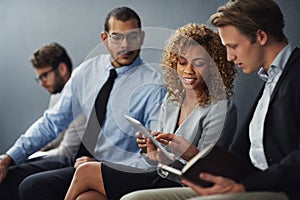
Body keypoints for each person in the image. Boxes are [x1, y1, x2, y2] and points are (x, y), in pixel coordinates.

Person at [121, 0, 300, 200]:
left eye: (233, 46)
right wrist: (192, 155)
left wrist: (244, 186)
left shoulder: (294, 75)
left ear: (260, 36)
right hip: (249, 182)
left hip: (281, 188)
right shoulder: (269, 80)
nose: (229, 57)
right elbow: (242, 158)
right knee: (132, 199)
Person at [0, 6, 167, 200]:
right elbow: (51, 123)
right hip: (77, 160)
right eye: (117, 37)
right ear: (105, 39)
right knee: (7, 178)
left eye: (132, 36)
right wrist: (9, 158)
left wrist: (102, 168)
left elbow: (155, 153)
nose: (126, 45)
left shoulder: (154, 86)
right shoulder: (86, 71)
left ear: (142, 37)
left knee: (32, 187)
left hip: (110, 168)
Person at [64, 23, 237, 200]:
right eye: (182, 63)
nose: (188, 70)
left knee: (86, 171)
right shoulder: (171, 100)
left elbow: (207, 171)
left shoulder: (221, 109)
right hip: (158, 174)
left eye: (198, 63)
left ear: (214, 66)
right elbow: (159, 161)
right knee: (87, 197)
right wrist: (152, 152)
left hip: (183, 183)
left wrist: (188, 152)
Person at [0, 42, 85, 200]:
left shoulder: (79, 96)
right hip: (57, 156)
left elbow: (68, 150)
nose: (41, 83)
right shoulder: (56, 96)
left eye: (44, 76)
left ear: (62, 69)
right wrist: (14, 157)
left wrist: (33, 155)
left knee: (11, 177)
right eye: (38, 78)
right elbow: (50, 134)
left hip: (71, 160)